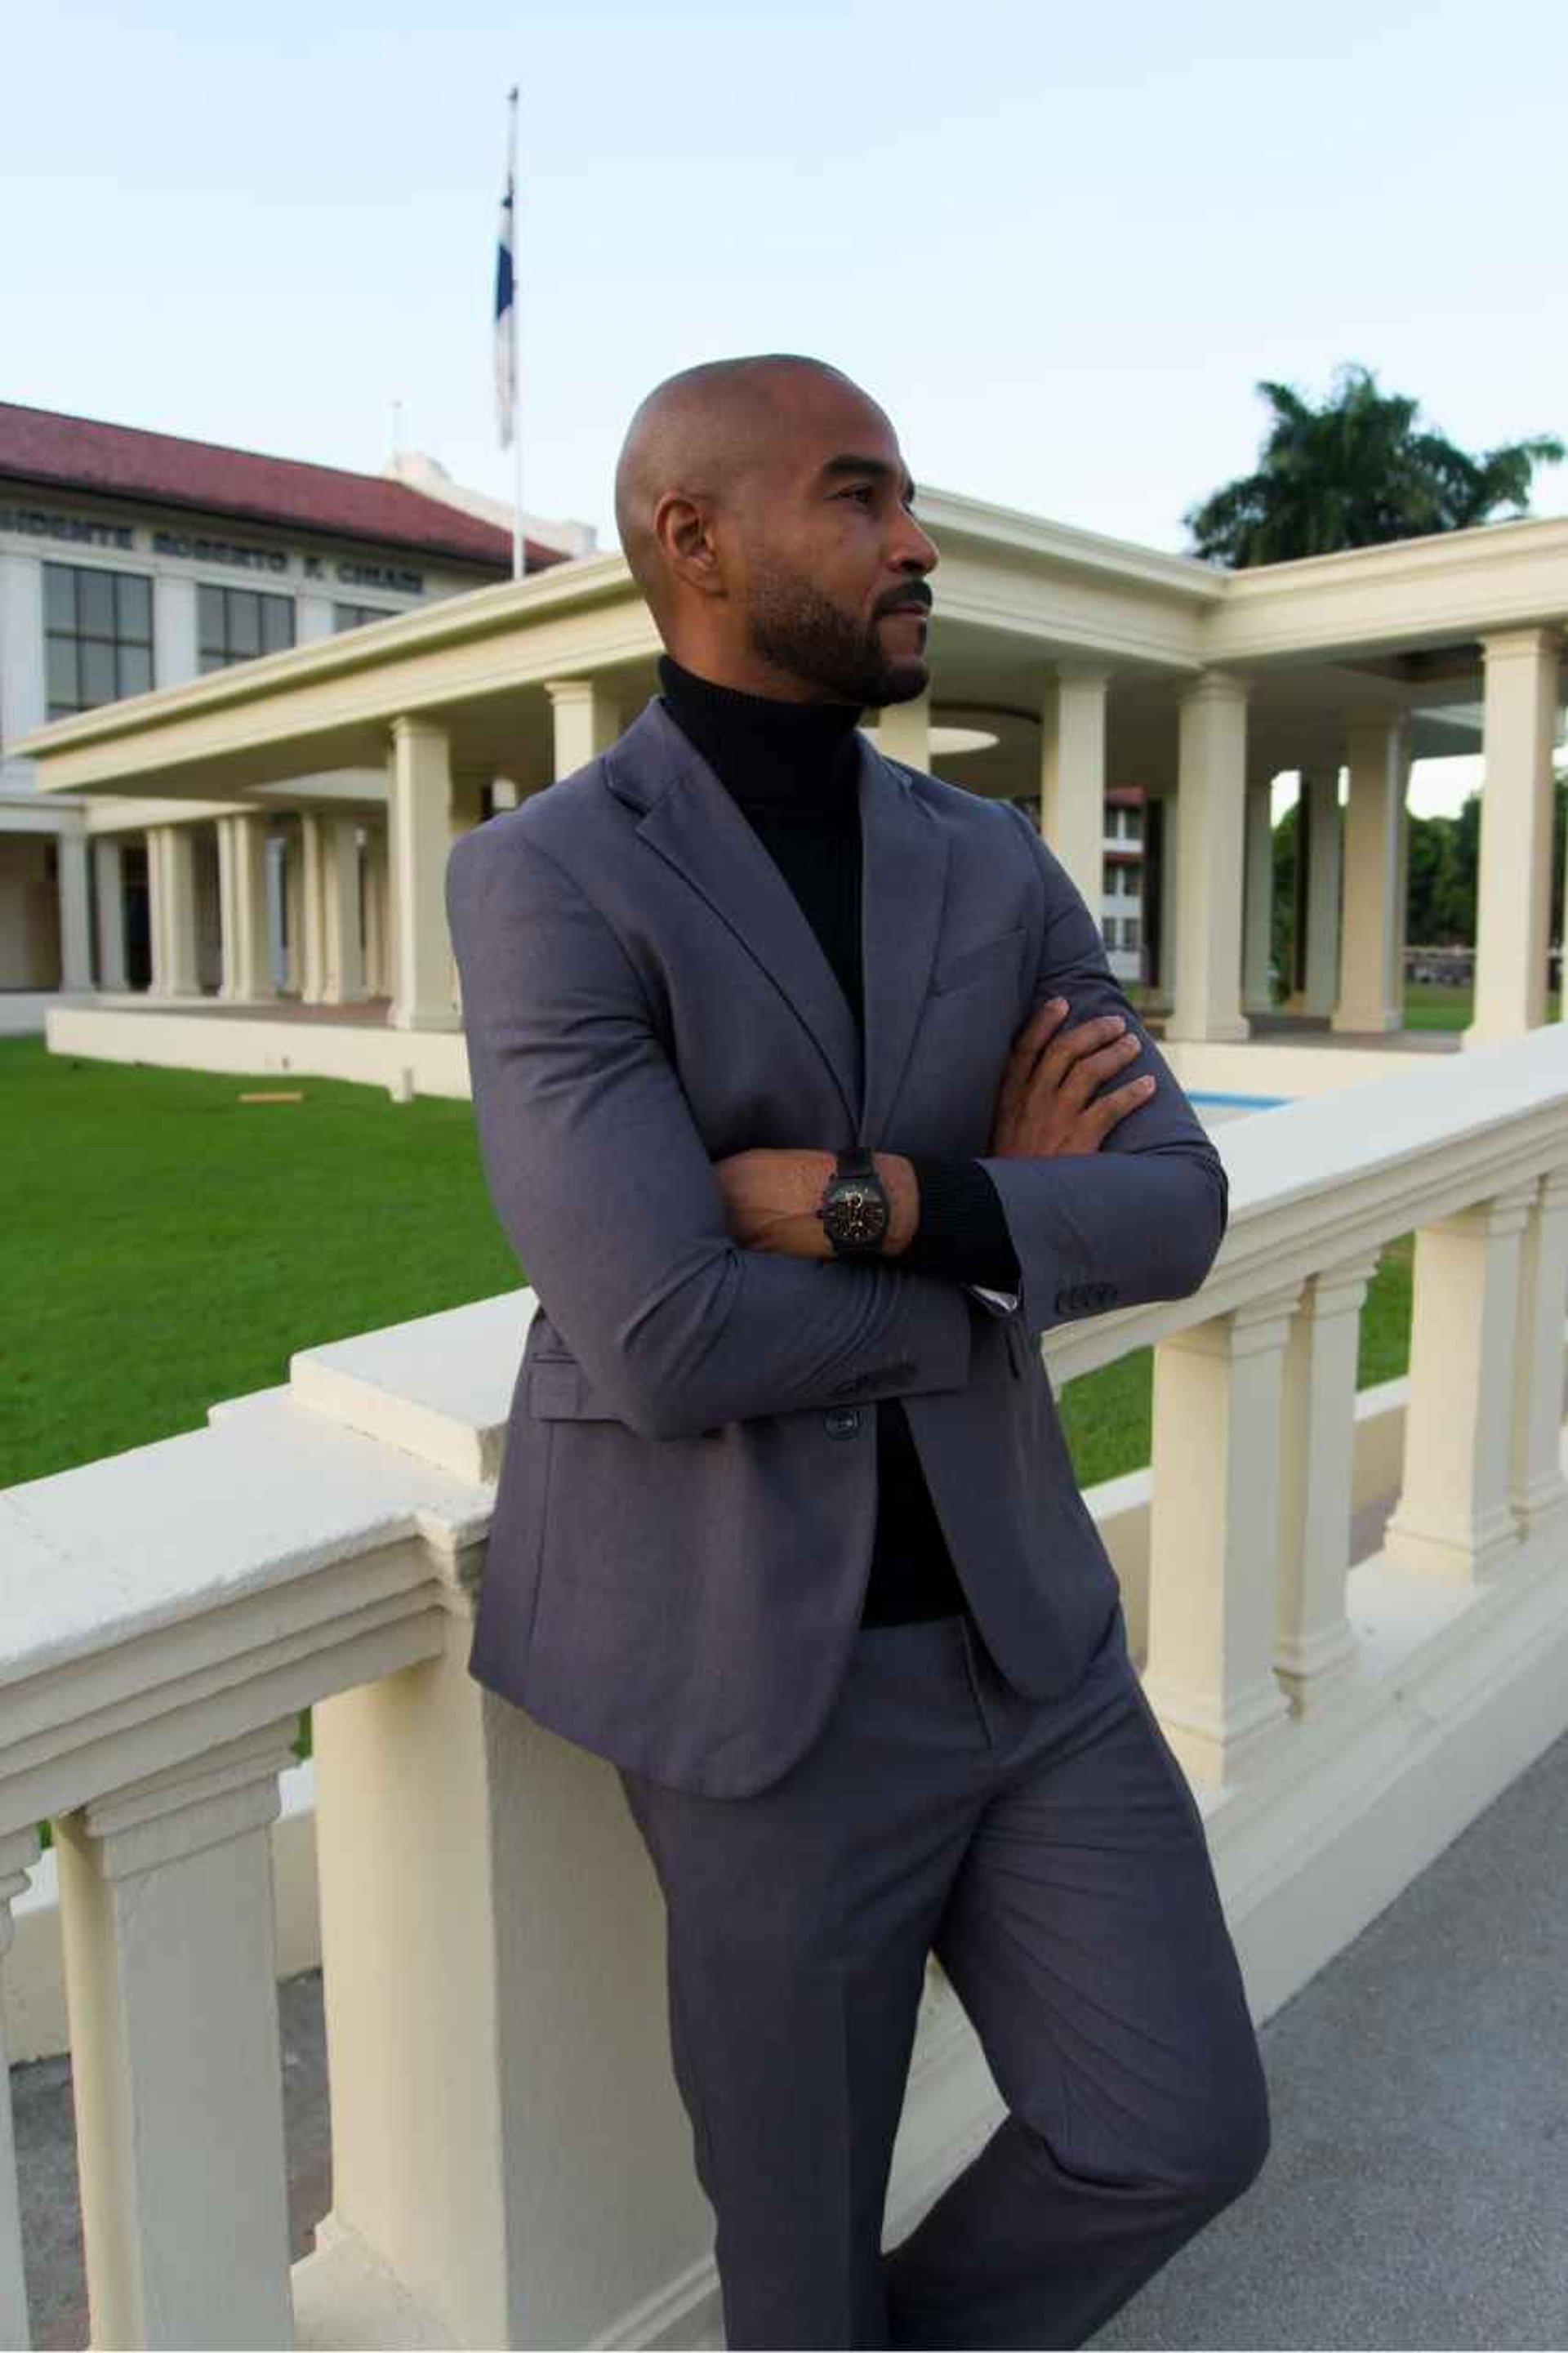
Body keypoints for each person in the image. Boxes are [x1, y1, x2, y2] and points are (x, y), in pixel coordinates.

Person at [445, 353, 1271, 2351]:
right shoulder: (549, 876)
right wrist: (1007, 1221)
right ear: (694, 538)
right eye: (862, 496)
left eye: (913, 501)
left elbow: (1172, 1204)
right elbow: (663, 1331)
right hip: (753, 1681)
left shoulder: (987, 860)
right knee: (796, 2262)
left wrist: (878, 1197)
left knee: (1179, 2124)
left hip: (1032, 1641)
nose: (918, 546)